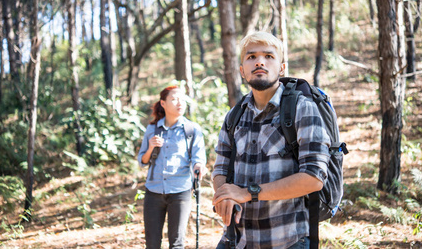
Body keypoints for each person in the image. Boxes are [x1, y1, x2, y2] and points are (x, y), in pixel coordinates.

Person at [211, 31, 331, 249]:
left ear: (282, 68)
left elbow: (314, 177)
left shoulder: (302, 109)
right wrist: (225, 195)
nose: (259, 62)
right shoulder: (234, 116)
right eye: (251, 57)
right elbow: (220, 169)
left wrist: (248, 193)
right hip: (239, 240)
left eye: (268, 56)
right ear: (242, 70)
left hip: (287, 240)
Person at [138, 86, 207, 249]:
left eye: (182, 99)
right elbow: (142, 161)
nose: (180, 103)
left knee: (177, 243)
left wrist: (198, 166)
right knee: (152, 244)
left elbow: (199, 158)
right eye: (174, 99)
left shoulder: (192, 129)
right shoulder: (152, 129)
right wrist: (150, 147)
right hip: (153, 192)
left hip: (180, 191)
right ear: (163, 103)